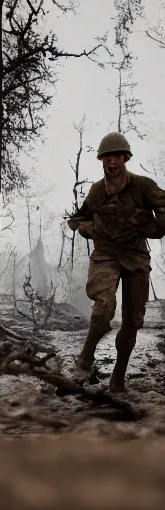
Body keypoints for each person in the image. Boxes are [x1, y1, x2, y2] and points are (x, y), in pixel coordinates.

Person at [67, 132, 165, 391]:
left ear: (125, 158)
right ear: (101, 160)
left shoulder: (142, 186)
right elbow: (78, 218)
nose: (110, 162)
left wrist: (152, 226)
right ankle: (86, 356)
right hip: (106, 253)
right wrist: (86, 228)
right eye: (105, 157)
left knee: (133, 320)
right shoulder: (97, 191)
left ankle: (118, 378)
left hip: (135, 255)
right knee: (103, 310)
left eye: (115, 157)